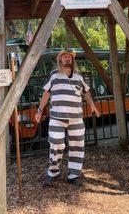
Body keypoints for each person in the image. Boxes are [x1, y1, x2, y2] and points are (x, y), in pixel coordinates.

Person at [35, 48, 100, 187]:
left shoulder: (78, 77)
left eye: (69, 57)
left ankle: (73, 175)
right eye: (64, 56)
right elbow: (46, 93)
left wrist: (92, 106)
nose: (67, 58)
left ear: (72, 60)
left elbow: (86, 92)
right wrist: (40, 110)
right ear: (60, 60)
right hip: (57, 118)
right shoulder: (54, 75)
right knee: (56, 143)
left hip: (76, 118)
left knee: (77, 146)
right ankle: (53, 172)